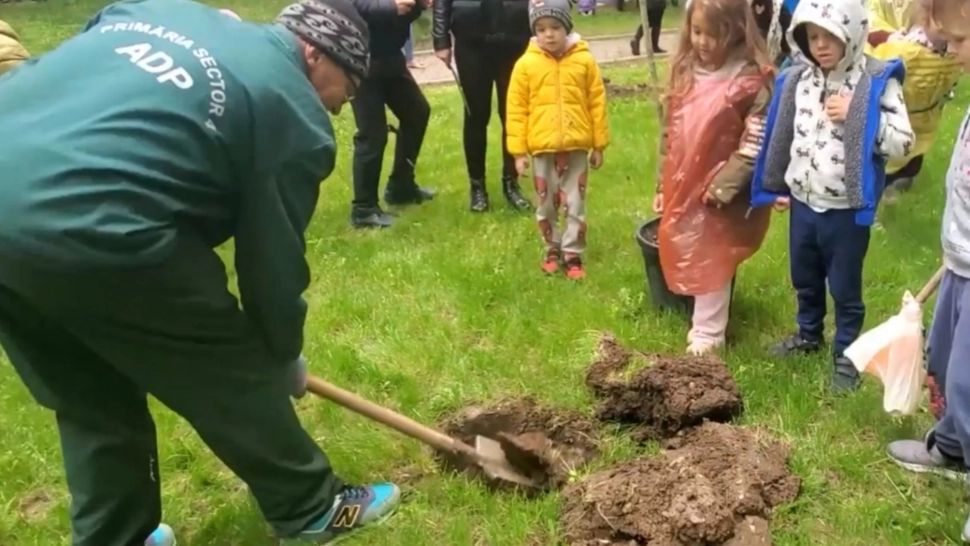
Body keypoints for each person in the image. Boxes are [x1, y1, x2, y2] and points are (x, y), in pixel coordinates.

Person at [0, 0, 401, 544]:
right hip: (99, 220)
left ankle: (116, 536)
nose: (337, 108)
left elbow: (106, 26)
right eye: (345, 91)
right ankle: (314, 506)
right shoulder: (290, 106)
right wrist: (277, 355)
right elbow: (272, 266)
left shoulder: (162, 10)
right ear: (315, 52)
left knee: (88, 392)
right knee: (226, 366)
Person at [751, 0, 914, 391]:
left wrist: (860, 115)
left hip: (845, 209)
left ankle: (848, 352)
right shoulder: (799, 79)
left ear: (853, 34)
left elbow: (903, 143)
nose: (820, 45)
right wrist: (780, 182)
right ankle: (808, 335)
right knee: (804, 276)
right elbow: (784, 133)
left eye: (831, 36)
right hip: (805, 204)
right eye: (812, 36)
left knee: (844, 287)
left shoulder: (876, 82)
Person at [886, 0, 970, 539]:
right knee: (945, 361)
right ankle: (957, 447)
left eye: (960, 41)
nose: (952, 54)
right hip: (960, 261)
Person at [652, 0, 773, 356]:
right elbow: (670, 134)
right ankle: (695, 312)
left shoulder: (750, 80)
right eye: (697, 31)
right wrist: (663, 183)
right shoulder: (686, 71)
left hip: (721, 188)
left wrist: (726, 184)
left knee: (713, 255)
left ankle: (707, 335)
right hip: (683, 181)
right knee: (686, 243)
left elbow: (756, 140)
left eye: (713, 33)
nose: (703, 41)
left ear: (736, 30)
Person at [507, 0, 609, 280]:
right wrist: (518, 153)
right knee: (547, 203)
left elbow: (596, 102)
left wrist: (598, 145)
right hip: (542, 150)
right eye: (541, 29)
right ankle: (552, 247)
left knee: (575, 202)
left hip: (576, 147)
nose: (548, 34)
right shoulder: (525, 65)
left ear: (567, 26)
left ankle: (573, 251)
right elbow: (516, 109)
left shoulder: (584, 60)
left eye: (555, 27)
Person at [433, 0, 533, 212]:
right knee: (476, 115)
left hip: (514, 35)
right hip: (471, 38)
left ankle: (511, 183)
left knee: (512, 113)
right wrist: (441, 39)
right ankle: (477, 187)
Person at [349, 0, 434, 228]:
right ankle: (363, 209)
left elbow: (400, 16)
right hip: (362, 60)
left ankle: (401, 187)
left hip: (390, 58)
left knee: (417, 112)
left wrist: (417, 6)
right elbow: (350, 6)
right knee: (373, 134)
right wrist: (391, 6)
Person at [868, 0, 961, 197]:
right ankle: (897, 183)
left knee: (887, 158)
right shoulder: (955, 55)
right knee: (912, 152)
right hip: (924, 119)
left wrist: (887, 40)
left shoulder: (906, 53)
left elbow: (873, 62)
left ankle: (883, 189)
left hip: (899, 119)